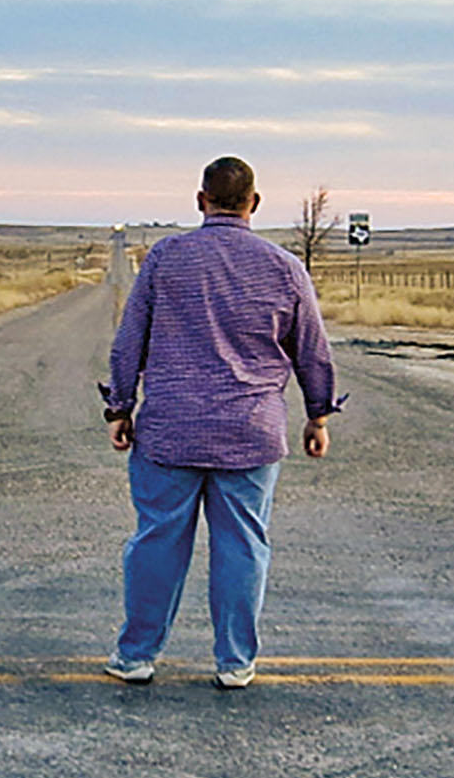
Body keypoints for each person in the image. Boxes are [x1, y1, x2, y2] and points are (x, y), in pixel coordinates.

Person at [97, 156, 343, 689]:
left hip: (171, 428)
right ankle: (235, 662)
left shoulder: (165, 259)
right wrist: (317, 414)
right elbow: (313, 351)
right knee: (243, 544)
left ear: (200, 200)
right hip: (250, 431)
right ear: (254, 203)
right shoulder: (284, 268)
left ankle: (137, 655)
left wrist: (120, 406)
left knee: (158, 540)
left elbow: (128, 340)